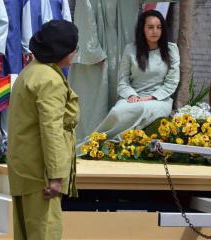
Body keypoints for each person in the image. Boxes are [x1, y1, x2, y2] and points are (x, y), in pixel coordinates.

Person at [68, 0, 178, 145]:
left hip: (125, 50)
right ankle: (91, 141)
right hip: (100, 53)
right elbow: (84, 18)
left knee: (124, 95)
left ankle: (121, 141)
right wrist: (94, 52)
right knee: (97, 97)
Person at [8, 20, 79, 240]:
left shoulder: (30, 73)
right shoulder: (49, 80)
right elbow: (50, 130)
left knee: (26, 238)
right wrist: (55, 175)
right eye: (72, 48)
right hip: (41, 170)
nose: (75, 53)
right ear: (61, 51)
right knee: (46, 235)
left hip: (23, 167)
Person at [77, 10, 180, 153]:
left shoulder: (171, 50)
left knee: (143, 108)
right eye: (150, 27)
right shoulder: (131, 49)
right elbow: (123, 81)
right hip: (132, 97)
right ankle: (97, 142)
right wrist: (132, 96)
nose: (155, 31)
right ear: (142, 29)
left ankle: (116, 143)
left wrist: (150, 97)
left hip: (160, 99)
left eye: (159, 27)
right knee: (117, 112)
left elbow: (172, 82)